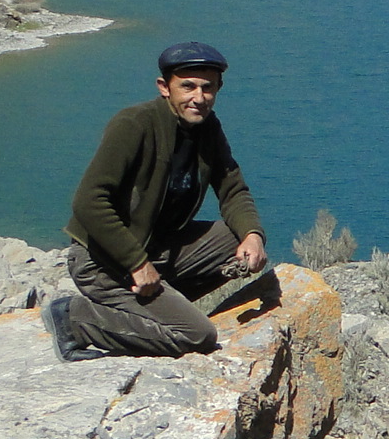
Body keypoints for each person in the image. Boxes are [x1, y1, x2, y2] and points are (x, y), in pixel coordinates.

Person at [41, 41, 268, 361]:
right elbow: (89, 201)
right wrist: (136, 263)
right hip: (104, 260)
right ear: (165, 87)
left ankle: (160, 306)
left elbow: (232, 189)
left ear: (218, 88)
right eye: (187, 86)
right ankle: (74, 318)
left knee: (235, 238)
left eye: (208, 88)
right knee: (197, 335)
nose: (198, 98)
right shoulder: (134, 124)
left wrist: (253, 235)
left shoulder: (207, 128)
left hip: (158, 249)